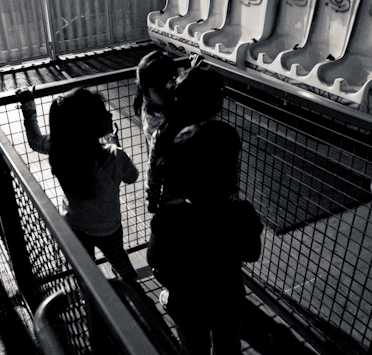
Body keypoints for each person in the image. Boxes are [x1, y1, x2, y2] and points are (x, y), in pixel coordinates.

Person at [146, 120, 263, 355]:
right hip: (227, 298)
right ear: (230, 171)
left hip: (187, 303)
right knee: (227, 346)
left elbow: (155, 260)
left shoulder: (169, 215)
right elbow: (252, 253)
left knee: (193, 348)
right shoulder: (241, 212)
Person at [16, 86, 139, 281]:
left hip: (74, 226)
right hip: (108, 228)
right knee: (120, 261)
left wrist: (28, 106)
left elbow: (35, 140)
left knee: (85, 270)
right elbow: (131, 176)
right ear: (93, 125)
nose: (109, 114)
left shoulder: (60, 149)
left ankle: (91, 300)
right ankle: (133, 287)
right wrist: (114, 143)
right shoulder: (114, 156)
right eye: (105, 113)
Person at [146, 63, 224, 214]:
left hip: (172, 205)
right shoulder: (214, 135)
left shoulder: (165, 131)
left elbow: (154, 171)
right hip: (205, 208)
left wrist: (152, 199)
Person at [133, 50, 178, 155]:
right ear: (146, 91)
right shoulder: (154, 121)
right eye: (158, 89)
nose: (167, 91)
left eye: (171, 82)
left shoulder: (153, 102)